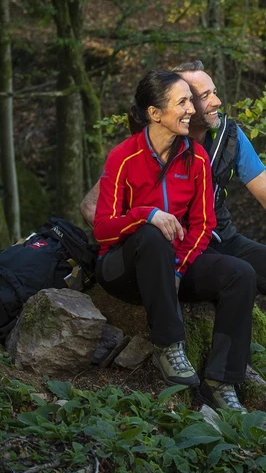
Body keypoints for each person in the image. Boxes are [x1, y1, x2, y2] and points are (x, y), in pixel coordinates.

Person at [82, 61, 266, 412]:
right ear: (171, 106)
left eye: (210, 93)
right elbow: (94, 210)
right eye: (202, 96)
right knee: (158, 242)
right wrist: (142, 224)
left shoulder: (222, 141)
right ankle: (175, 351)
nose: (215, 101)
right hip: (158, 246)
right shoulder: (138, 148)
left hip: (216, 240)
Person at [93, 68, 256, 413]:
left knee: (241, 274)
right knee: (152, 236)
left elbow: (202, 224)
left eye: (190, 101)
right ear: (155, 113)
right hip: (122, 269)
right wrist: (146, 214)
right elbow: (103, 228)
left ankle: (222, 382)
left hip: (171, 266)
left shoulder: (195, 157)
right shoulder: (123, 157)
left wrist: (179, 269)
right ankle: (168, 346)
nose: (191, 110)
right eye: (182, 102)